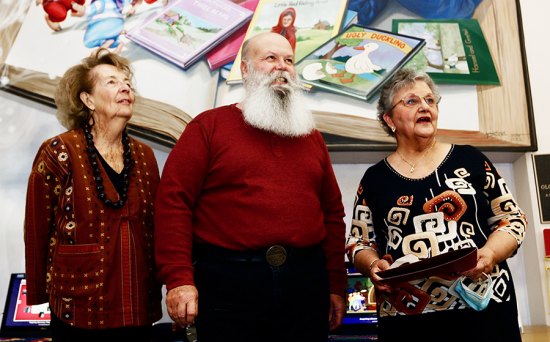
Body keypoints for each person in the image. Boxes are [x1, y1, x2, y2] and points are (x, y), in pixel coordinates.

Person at [154, 32, 346, 342]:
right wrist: (178, 279)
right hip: (228, 284)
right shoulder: (208, 127)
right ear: (245, 69)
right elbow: (173, 204)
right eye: (270, 58)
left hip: (305, 284)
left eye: (289, 60)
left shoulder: (311, 137)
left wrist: (336, 285)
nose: (281, 67)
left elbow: (332, 215)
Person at [345, 68, 527, 341]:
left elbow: (513, 219)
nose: (424, 107)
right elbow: (359, 243)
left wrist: (489, 254)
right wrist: (372, 265)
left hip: (482, 305)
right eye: (411, 101)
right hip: (407, 316)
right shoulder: (375, 178)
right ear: (389, 119)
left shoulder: (470, 159)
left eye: (430, 100)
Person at [24, 48, 162, 341]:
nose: (125, 87)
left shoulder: (145, 155)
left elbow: (155, 228)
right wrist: (37, 294)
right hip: (79, 306)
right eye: (111, 82)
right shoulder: (57, 151)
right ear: (87, 100)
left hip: (136, 305)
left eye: (127, 82)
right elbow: (36, 228)